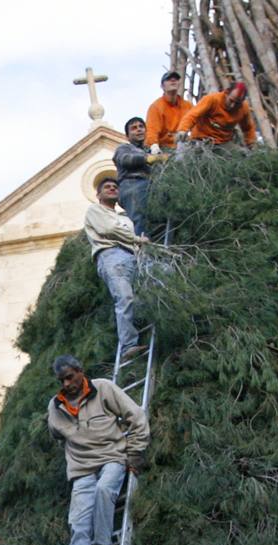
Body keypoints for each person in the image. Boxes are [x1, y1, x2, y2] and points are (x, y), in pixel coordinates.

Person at [48, 354, 149, 545]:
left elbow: (135, 416)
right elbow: (55, 433)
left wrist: (135, 451)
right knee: (79, 521)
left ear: (80, 371)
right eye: (62, 380)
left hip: (112, 457)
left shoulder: (103, 388)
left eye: (70, 377)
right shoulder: (56, 406)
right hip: (81, 469)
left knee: (105, 491)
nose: (67, 384)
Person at [83, 177, 149, 361]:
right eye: (107, 187)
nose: (112, 189)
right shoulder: (94, 210)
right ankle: (129, 345)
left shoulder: (125, 218)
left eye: (115, 187)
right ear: (98, 194)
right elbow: (109, 229)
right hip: (111, 256)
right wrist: (137, 240)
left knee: (149, 288)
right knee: (125, 297)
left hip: (132, 256)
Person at [113, 117, 167, 237]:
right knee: (141, 221)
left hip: (151, 186)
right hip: (133, 186)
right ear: (127, 136)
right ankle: (141, 249)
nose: (139, 130)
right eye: (134, 128)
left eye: (141, 127)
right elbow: (125, 159)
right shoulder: (124, 148)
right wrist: (147, 158)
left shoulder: (152, 150)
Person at [181, 81, 258, 148]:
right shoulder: (212, 99)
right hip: (201, 139)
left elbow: (248, 128)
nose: (232, 106)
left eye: (237, 103)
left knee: (239, 156)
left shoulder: (243, 108)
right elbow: (192, 115)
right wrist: (183, 129)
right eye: (231, 101)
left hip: (223, 144)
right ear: (226, 93)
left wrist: (251, 144)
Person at [145, 71, 189, 152]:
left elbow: (197, 124)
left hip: (184, 149)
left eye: (176, 79)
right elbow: (151, 131)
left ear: (179, 84)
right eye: (168, 79)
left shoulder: (187, 106)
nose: (173, 80)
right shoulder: (156, 107)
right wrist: (154, 146)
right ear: (162, 86)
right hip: (163, 149)